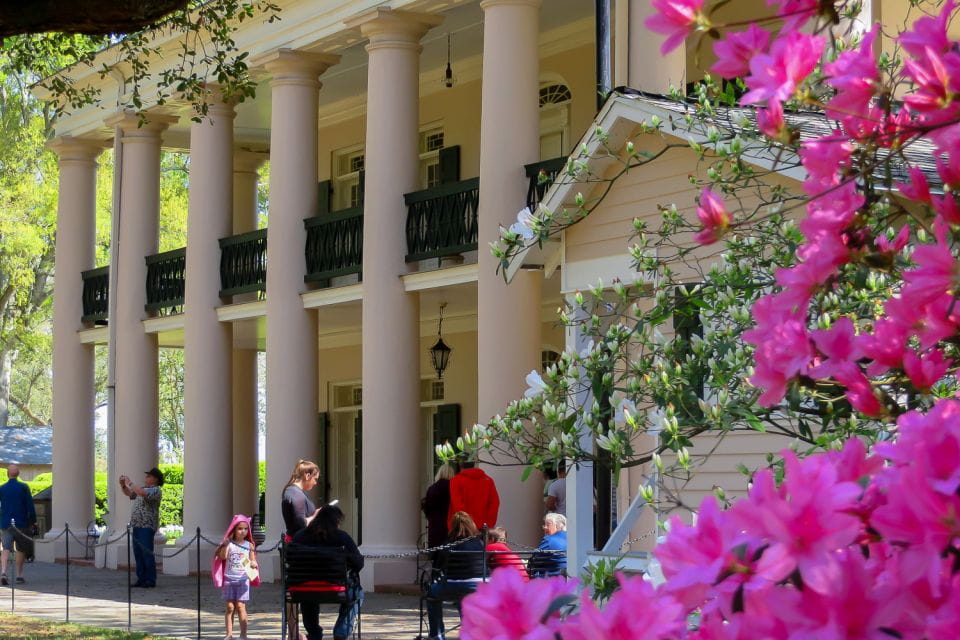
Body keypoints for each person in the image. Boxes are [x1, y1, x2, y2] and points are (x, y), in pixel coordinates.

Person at [291, 505, 363, 640]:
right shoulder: (342, 537)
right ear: (336, 521)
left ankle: (314, 633)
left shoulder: (300, 536)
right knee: (358, 594)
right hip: (336, 587)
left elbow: (291, 560)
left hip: (302, 588)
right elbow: (358, 563)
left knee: (308, 592)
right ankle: (341, 631)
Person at [426, 511, 486, 640]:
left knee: (432, 595)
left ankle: (436, 636)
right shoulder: (479, 543)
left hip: (454, 585)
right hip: (479, 587)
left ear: (453, 526)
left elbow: (438, 567)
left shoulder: (449, 543)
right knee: (463, 598)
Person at [281, 459, 322, 640]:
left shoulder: (293, 492)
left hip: (301, 549)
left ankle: (297, 632)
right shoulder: (295, 494)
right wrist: (316, 516)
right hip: (300, 550)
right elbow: (299, 524)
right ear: (307, 475)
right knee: (296, 591)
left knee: (298, 591)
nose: (315, 483)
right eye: (315, 478)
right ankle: (295, 633)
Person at [213, 514, 260, 640]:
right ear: (234, 529)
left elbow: (252, 560)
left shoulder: (249, 545)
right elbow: (223, 557)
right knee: (230, 607)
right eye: (240, 528)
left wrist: (254, 563)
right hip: (229, 578)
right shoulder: (230, 544)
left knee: (240, 606)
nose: (243, 531)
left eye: (245, 528)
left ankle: (243, 635)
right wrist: (224, 545)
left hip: (243, 579)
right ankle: (229, 634)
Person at [119, 467, 163, 588]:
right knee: (138, 553)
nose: (146, 478)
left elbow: (142, 493)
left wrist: (130, 482)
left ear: (155, 479)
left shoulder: (156, 490)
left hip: (146, 526)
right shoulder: (142, 489)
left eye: (149, 476)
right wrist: (123, 485)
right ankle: (141, 578)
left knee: (146, 552)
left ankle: (150, 579)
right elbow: (130, 494)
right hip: (137, 525)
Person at [0, 464, 36, 585]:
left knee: (5, 548)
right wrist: (33, 521)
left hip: (6, 523)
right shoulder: (24, 487)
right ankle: (19, 575)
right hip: (22, 523)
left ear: (7, 474)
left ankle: (3, 572)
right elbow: (30, 506)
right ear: (18, 474)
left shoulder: (2, 488)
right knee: (21, 549)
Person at [447, 460, 499, 531]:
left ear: (460, 465)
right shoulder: (488, 480)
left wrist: (467, 524)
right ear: (474, 464)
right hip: (483, 527)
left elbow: (457, 504)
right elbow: (494, 503)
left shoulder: (455, 480)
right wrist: (489, 524)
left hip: (463, 528)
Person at [421, 463, 455, 549]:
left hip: (435, 521)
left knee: (436, 549)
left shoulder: (432, 488)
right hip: (449, 521)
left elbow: (427, 505)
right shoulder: (453, 488)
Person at [530, 512, 567, 577]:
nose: (545, 527)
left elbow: (532, 564)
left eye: (548, 524)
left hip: (552, 582)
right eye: (544, 525)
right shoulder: (572, 539)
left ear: (558, 525)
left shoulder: (549, 540)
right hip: (568, 580)